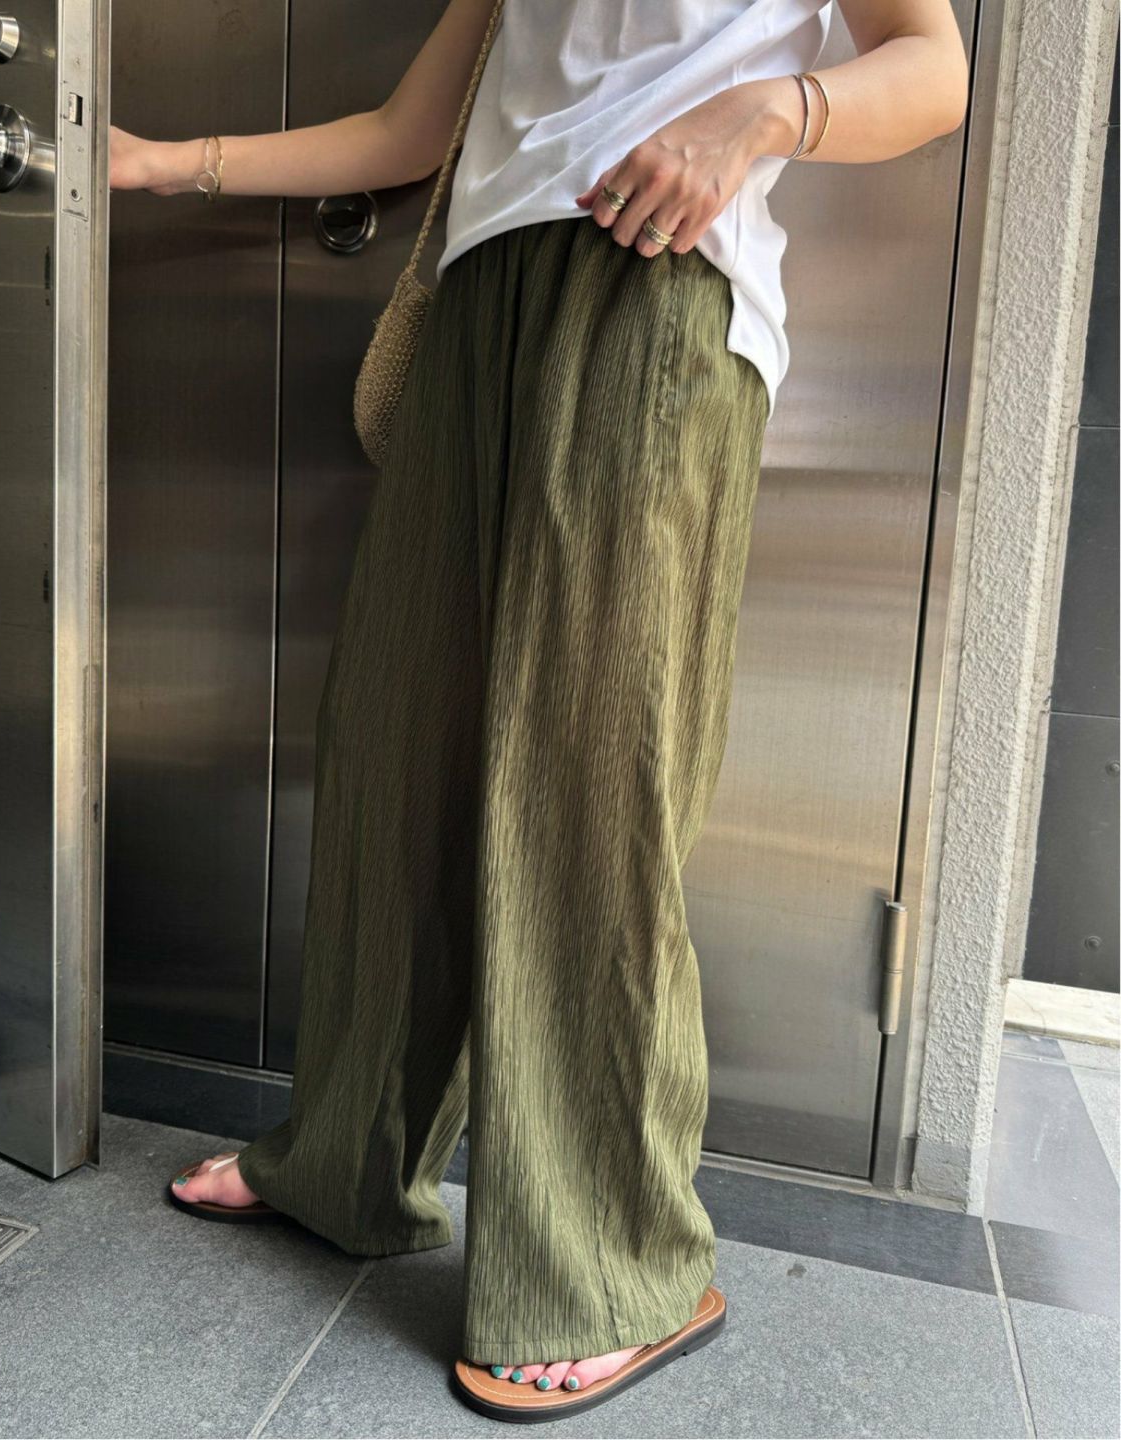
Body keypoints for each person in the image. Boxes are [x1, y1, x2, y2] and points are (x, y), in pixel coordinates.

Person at [110, 0, 968, 1421]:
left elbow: (933, 68)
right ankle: (347, 1161)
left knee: (586, 791)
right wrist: (159, 162)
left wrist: (766, 115)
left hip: (657, 289)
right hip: (476, 309)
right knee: (396, 757)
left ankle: (617, 1268)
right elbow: (408, 131)